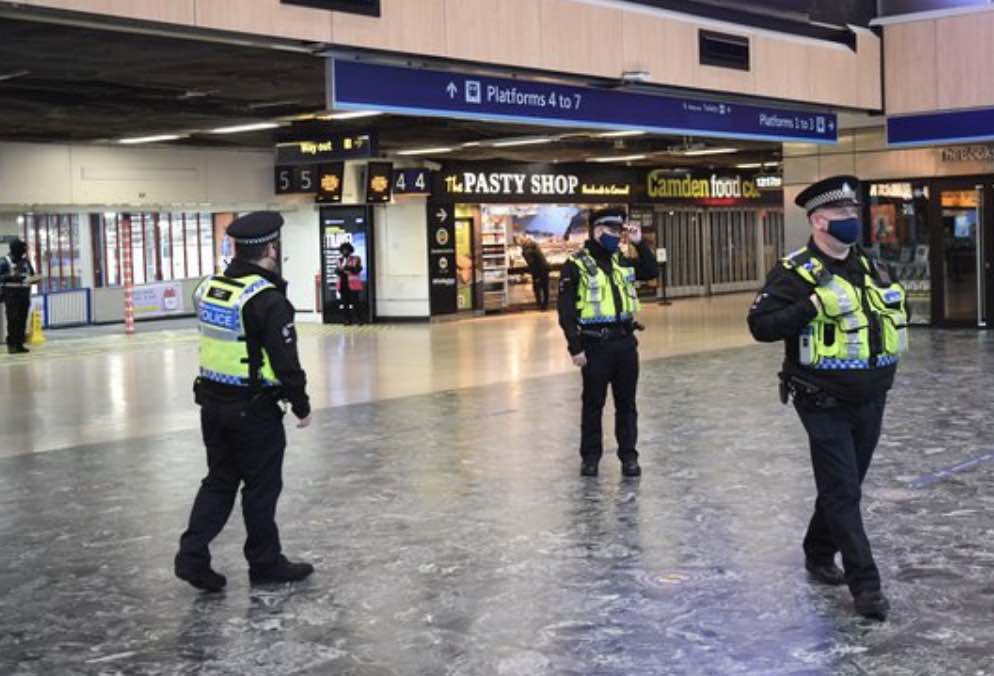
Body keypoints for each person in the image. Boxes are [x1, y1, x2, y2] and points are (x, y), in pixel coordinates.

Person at [747, 175, 910, 622]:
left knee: (846, 485)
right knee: (842, 491)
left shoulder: (871, 266)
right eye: (841, 215)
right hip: (822, 399)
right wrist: (810, 308)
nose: (851, 221)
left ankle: (818, 550)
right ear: (818, 221)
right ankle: (867, 586)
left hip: (872, 396)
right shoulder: (794, 271)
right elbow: (760, 326)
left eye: (852, 213)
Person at [175, 211, 314, 592]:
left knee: (218, 482)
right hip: (254, 410)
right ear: (270, 249)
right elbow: (286, 362)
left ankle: (192, 556)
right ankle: (265, 562)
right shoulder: (268, 300)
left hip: (213, 403)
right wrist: (300, 404)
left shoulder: (209, 288)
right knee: (261, 488)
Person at [558, 207, 658, 477]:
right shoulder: (576, 264)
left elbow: (650, 271)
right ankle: (590, 457)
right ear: (597, 230)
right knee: (593, 404)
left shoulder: (621, 261)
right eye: (612, 230)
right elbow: (566, 311)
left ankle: (629, 457)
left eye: (619, 231)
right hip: (594, 345)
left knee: (627, 404)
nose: (617, 236)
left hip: (625, 343)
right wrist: (575, 347)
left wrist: (639, 243)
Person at [0, 239, 36, 354]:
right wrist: (10, 277)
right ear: (15, 248)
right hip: (11, 295)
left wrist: (35, 279)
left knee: (22, 319)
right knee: (13, 320)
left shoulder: (26, 262)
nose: (24, 250)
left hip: (24, 294)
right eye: (22, 248)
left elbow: (31, 274)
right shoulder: (4, 261)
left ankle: (19, 344)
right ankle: (12, 345)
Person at [518, 235, 551, 311]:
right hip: (544, 268)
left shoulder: (527, 249)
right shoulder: (534, 245)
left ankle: (541, 305)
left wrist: (535, 274)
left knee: (537, 288)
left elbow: (531, 263)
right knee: (545, 288)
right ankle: (544, 304)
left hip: (538, 270)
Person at [336, 242, 364, 325]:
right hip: (342, 284)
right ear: (341, 251)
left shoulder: (356, 258)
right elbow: (337, 271)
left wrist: (346, 268)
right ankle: (347, 320)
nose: (345, 251)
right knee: (345, 304)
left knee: (356, 304)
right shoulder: (339, 260)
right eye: (343, 250)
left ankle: (359, 320)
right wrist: (342, 270)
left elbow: (357, 270)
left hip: (353, 286)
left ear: (350, 250)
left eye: (347, 249)